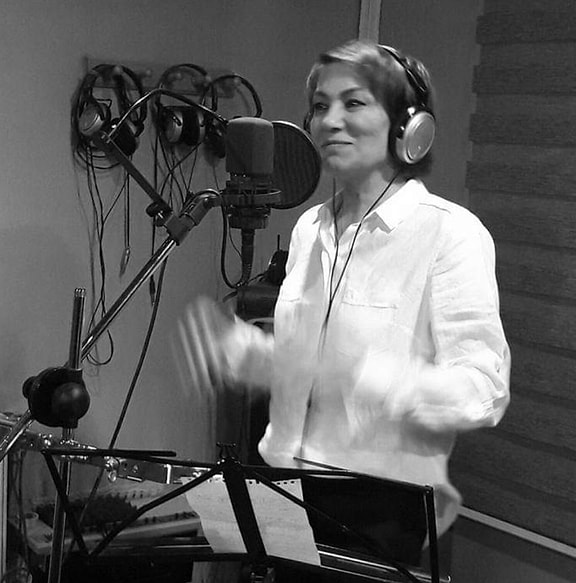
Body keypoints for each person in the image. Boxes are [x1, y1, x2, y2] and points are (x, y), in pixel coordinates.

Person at [178, 38, 510, 574]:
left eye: (353, 103)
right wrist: (257, 357)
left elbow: (483, 392)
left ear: (409, 125)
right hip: (284, 489)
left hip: (381, 510)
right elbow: (303, 364)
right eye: (319, 106)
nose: (329, 121)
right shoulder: (309, 229)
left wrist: (359, 376)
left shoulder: (450, 235)